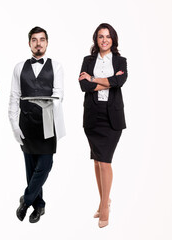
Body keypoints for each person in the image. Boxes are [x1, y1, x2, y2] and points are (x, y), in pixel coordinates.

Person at [8, 26, 65, 223]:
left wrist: (45, 102)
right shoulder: (18, 67)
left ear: (47, 43)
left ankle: (27, 199)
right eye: (34, 40)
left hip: (48, 123)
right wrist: (14, 125)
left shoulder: (56, 66)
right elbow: (14, 97)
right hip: (26, 124)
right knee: (31, 169)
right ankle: (39, 206)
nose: (38, 43)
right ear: (29, 43)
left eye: (42, 39)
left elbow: (59, 95)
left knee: (45, 165)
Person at [78, 23, 127, 228]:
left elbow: (120, 81)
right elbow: (83, 85)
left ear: (113, 39)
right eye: (100, 36)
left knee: (105, 161)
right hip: (92, 116)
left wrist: (94, 79)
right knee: (97, 162)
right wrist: (107, 80)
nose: (104, 40)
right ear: (96, 39)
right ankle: (103, 200)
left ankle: (105, 207)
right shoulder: (88, 61)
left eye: (108, 36)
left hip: (112, 116)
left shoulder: (120, 60)